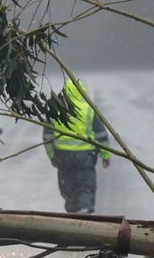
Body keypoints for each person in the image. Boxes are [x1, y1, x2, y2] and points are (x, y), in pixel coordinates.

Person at [43, 78, 111, 214]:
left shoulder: (56, 110)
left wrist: (52, 157)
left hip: (63, 158)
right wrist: (105, 156)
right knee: (86, 186)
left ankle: (72, 214)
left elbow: (47, 138)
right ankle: (84, 212)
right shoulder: (89, 111)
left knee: (68, 187)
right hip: (85, 158)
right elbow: (101, 135)